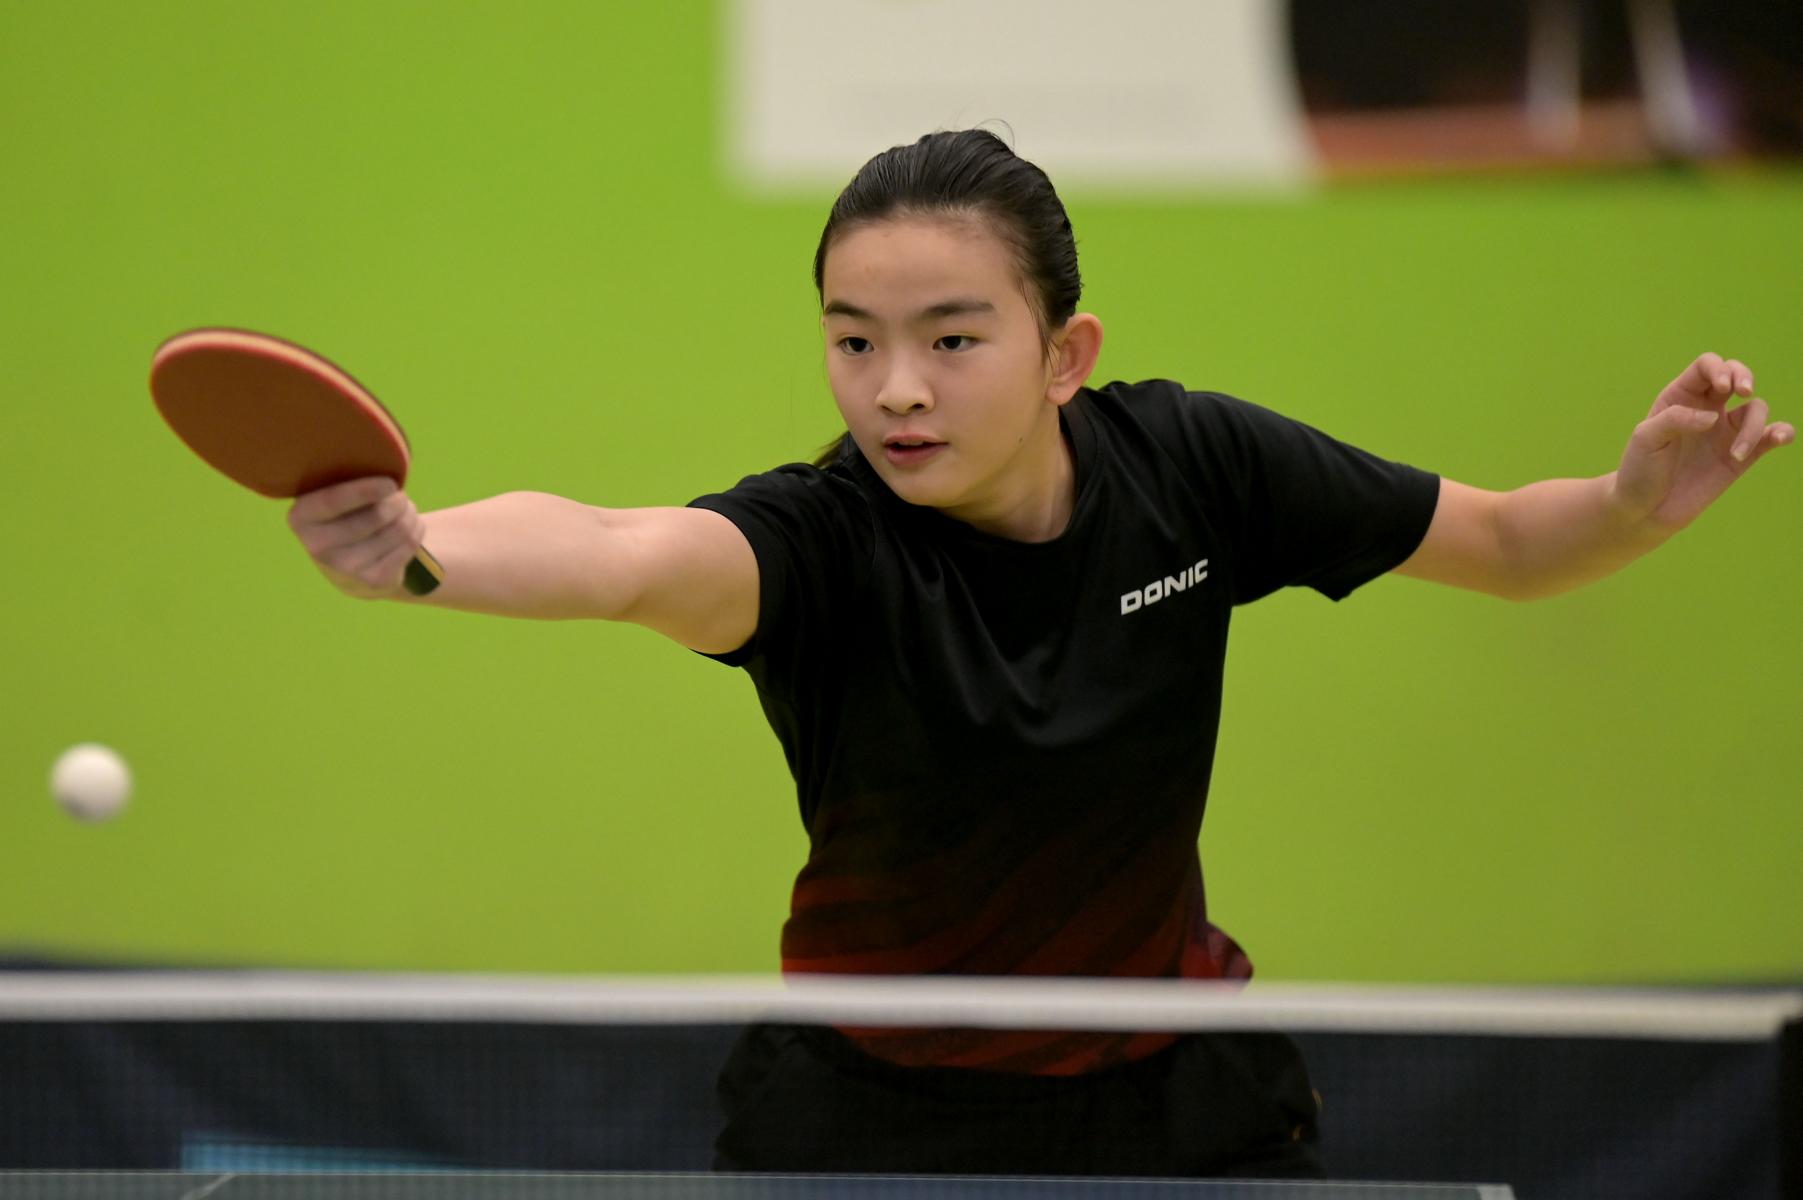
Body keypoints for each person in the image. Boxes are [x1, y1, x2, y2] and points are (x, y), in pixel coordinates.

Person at [284, 130, 1790, 1178]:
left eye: (951, 339)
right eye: (853, 339)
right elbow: (619, 552)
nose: (895, 389)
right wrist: (424, 551)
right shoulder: (822, 547)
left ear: (1066, 354)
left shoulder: (1195, 469)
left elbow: (1510, 545)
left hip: (1176, 1099)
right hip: (872, 1120)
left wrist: (1628, 507)